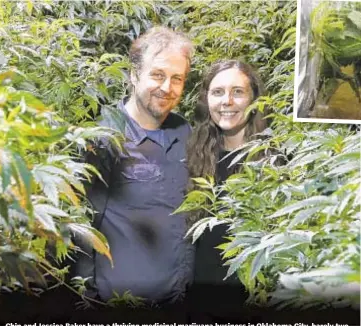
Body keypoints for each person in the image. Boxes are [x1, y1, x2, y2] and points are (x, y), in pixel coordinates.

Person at [73, 26, 196, 321]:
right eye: (157, 74)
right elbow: (80, 229)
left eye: (176, 78)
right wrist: (84, 302)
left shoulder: (185, 133)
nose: (167, 87)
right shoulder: (102, 138)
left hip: (181, 303)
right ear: (134, 74)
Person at [186, 59, 267, 322]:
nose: (227, 101)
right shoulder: (192, 154)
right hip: (198, 302)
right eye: (218, 92)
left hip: (253, 302)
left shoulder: (274, 159)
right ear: (206, 99)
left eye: (238, 92)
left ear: (254, 98)